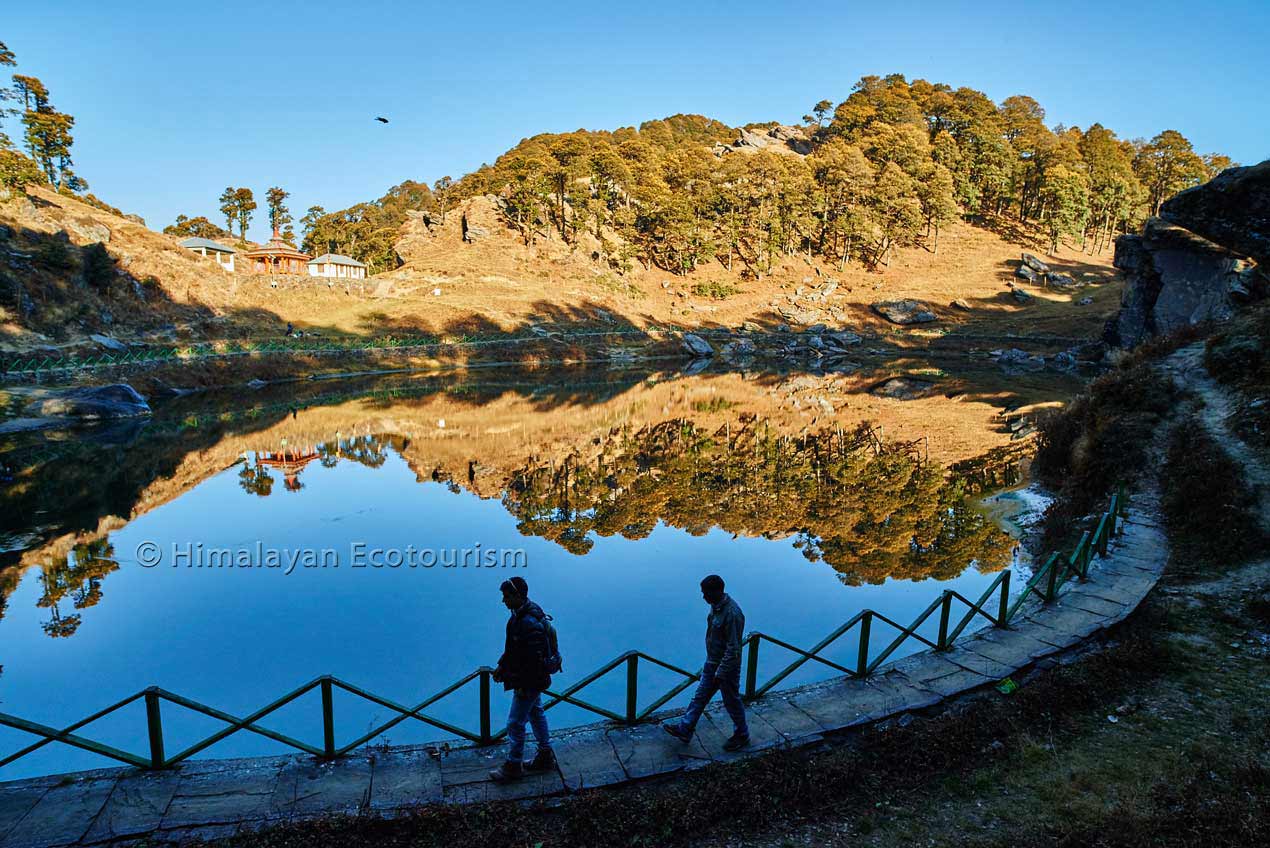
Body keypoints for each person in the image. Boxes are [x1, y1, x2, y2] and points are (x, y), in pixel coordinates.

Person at [662, 574, 749, 751]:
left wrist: (720, 673)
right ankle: (685, 729)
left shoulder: (732, 614)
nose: (703, 597)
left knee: (731, 700)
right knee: (700, 696)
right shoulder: (716, 607)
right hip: (712, 661)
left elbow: (734, 649)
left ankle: (742, 734)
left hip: (726, 667)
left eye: (706, 593)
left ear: (717, 591)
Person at [488, 576, 556, 782]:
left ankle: (513, 765)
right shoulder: (521, 614)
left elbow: (532, 662)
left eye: (506, 597)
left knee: (515, 723)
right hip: (532, 679)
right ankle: (545, 756)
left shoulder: (527, 622)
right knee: (536, 713)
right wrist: (502, 665)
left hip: (530, 681)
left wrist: (522, 685)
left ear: (517, 596)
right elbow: (513, 649)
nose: (503, 601)